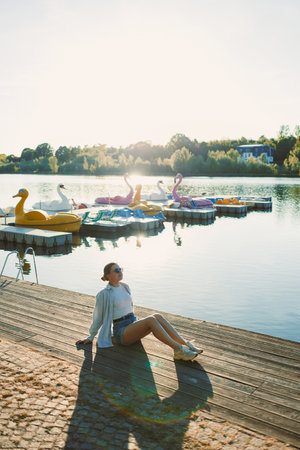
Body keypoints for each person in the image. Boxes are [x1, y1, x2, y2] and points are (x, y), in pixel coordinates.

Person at [76, 262, 203, 361]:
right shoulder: (104, 294)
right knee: (151, 320)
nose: (120, 272)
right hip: (122, 332)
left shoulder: (125, 287)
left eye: (120, 269)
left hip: (132, 325)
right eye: (116, 270)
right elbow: (98, 317)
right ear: (108, 275)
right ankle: (178, 350)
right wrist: (91, 336)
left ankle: (185, 344)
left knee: (157, 316)